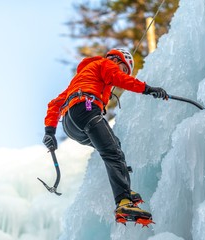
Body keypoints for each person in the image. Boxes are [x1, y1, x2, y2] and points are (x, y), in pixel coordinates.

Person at [43, 48, 168, 226]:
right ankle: (123, 201)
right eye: (123, 68)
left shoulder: (82, 78)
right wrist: (148, 89)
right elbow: (119, 78)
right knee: (112, 152)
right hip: (86, 110)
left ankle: (123, 185)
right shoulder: (106, 64)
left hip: (71, 125)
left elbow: (54, 104)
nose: (121, 73)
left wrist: (49, 132)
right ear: (117, 60)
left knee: (112, 145)